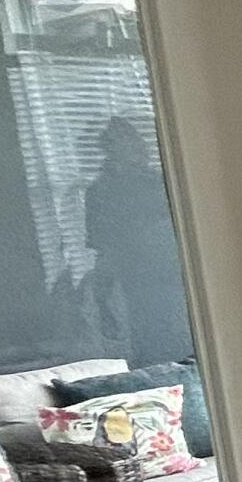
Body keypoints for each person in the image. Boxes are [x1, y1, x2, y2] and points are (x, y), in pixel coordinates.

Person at [81, 115, 192, 362]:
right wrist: (102, 300)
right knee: (150, 344)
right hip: (136, 282)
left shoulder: (164, 183)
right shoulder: (100, 192)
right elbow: (104, 250)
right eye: (119, 145)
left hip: (176, 276)